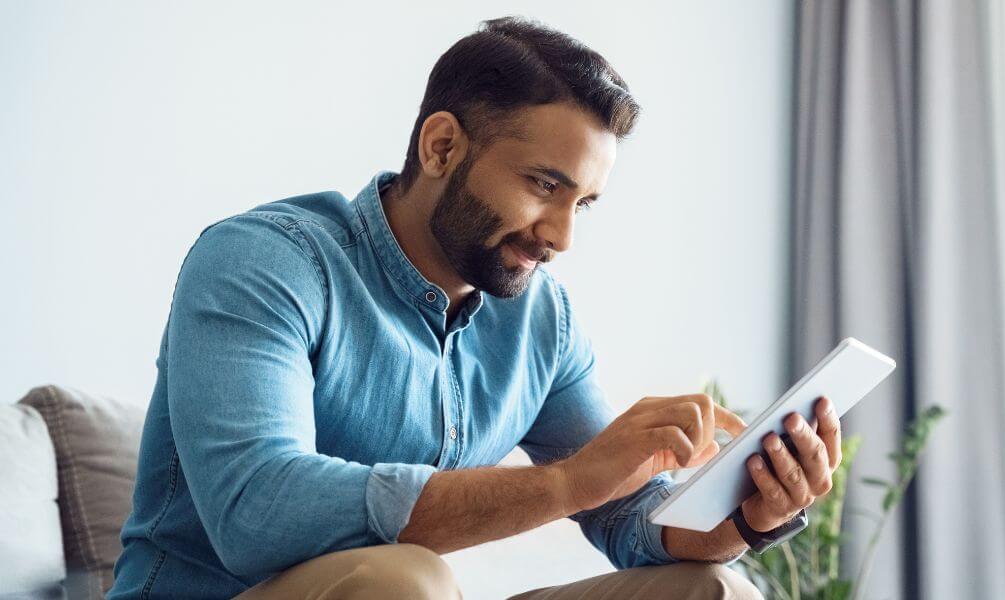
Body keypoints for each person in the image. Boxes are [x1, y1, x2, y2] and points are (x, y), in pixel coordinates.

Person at [109, 16, 843, 600]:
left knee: (715, 589)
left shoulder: (539, 321)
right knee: (406, 580)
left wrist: (751, 513)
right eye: (542, 185)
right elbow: (256, 515)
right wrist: (566, 481)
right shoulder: (266, 262)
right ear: (441, 147)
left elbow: (629, 523)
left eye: (583, 203)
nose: (560, 236)